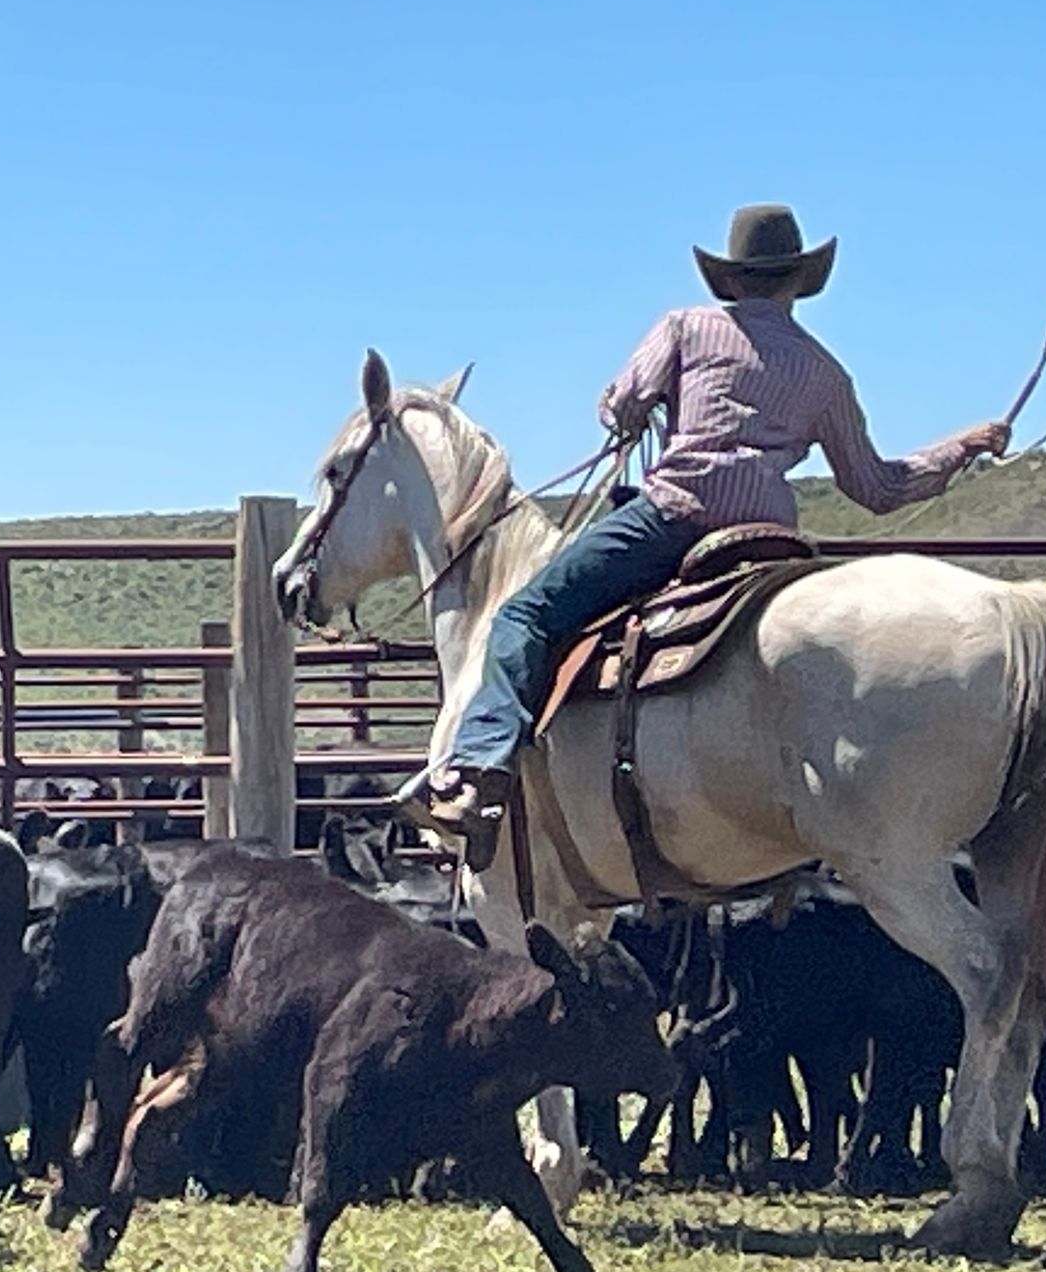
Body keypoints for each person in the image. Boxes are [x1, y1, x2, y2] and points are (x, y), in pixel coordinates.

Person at [423, 204, 1010, 860]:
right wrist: (961, 448)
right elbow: (877, 487)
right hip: (770, 540)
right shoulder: (824, 372)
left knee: (524, 616)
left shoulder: (686, 327)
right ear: (796, 281)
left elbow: (620, 407)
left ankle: (477, 767)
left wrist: (628, 409)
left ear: (732, 279)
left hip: (677, 516)